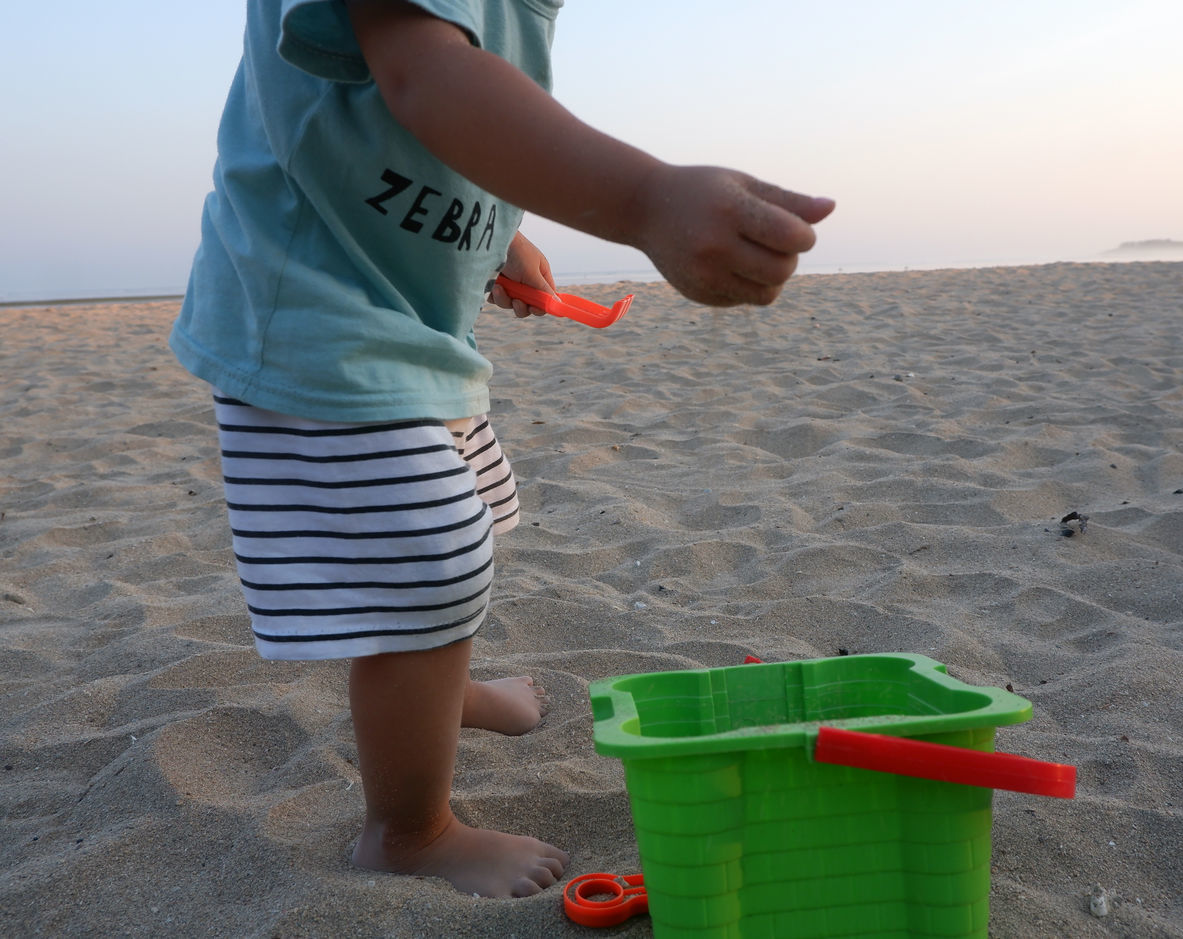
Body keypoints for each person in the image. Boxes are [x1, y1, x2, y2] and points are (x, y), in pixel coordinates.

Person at [170, 0, 834, 900]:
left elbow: (424, 111)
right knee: (428, 558)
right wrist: (644, 200)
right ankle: (409, 832)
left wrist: (498, 229)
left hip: (416, 318)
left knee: (470, 509)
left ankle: (439, 693)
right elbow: (424, 74)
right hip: (313, 313)